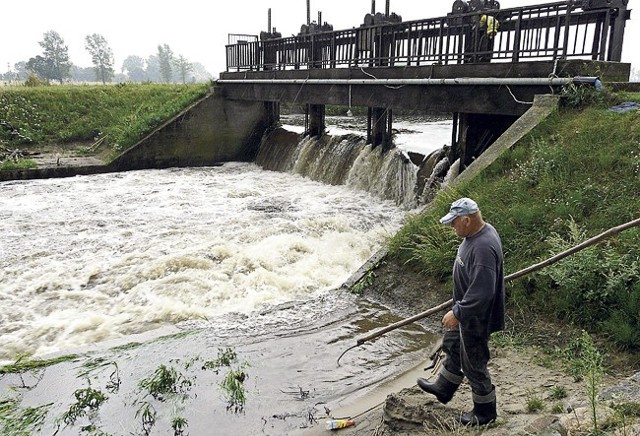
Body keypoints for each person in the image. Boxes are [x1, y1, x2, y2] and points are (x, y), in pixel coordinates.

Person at [417, 197, 505, 426]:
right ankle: (444, 387)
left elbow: (483, 293)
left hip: (476, 316)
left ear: (466, 220)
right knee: (453, 345)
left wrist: (459, 312)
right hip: (465, 309)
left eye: (454, 223)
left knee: (474, 362)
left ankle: (485, 412)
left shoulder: (484, 247)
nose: (451, 227)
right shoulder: (474, 235)